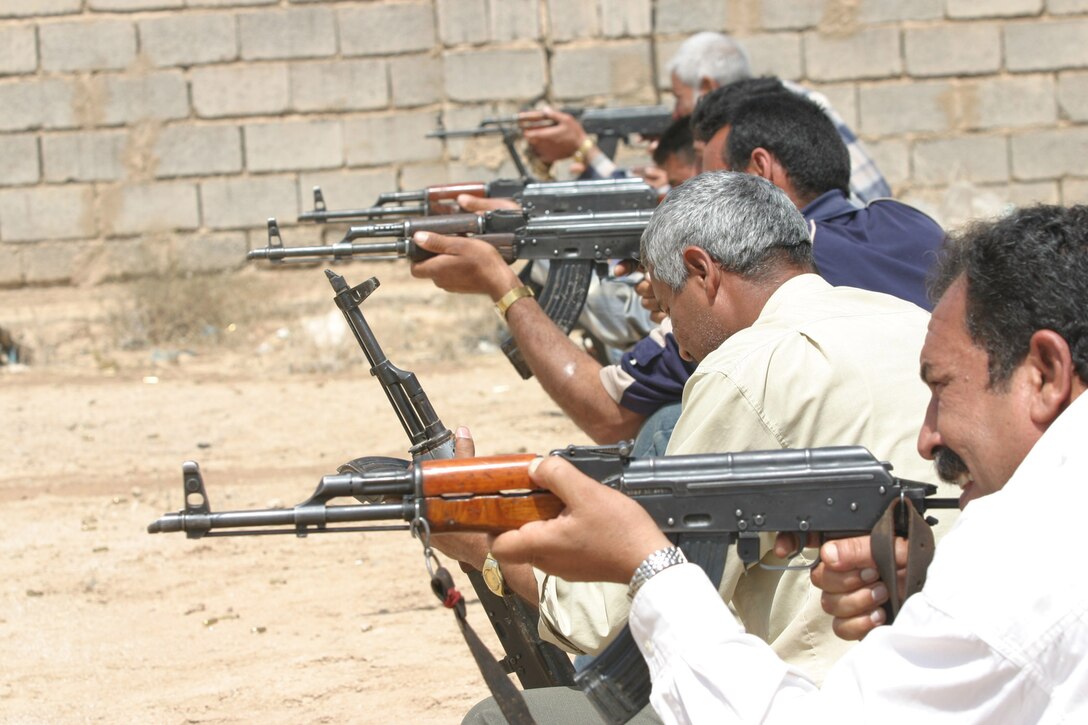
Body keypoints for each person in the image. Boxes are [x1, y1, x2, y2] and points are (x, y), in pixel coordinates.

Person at [489, 203, 1088, 722]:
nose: (927, 440)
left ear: (1046, 373)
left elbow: (597, 620)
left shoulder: (1021, 559)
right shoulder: (894, 313)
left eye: (945, 389)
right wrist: (928, 590)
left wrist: (648, 568)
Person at [412, 85, 943, 452]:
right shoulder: (908, 225)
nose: (686, 186)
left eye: (706, 174)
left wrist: (502, 285)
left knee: (664, 428)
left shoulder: (760, 277)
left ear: (758, 171)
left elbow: (606, 413)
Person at [525, 31, 890, 204]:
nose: (675, 112)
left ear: (708, 85)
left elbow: (873, 198)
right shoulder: (790, 101)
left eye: (679, 98)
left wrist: (586, 150)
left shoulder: (798, 104)